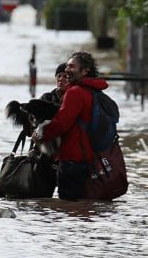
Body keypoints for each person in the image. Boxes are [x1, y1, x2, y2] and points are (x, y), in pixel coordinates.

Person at [35, 51, 114, 200]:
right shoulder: (94, 91)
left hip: (72, 159)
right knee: (82, 205)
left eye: (72, 66)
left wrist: (41, 135)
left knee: (68, 207)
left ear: (85, 71)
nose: (67, 69)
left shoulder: (75, 92)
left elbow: (61, 124)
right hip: (90, 157)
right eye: (67, 66)